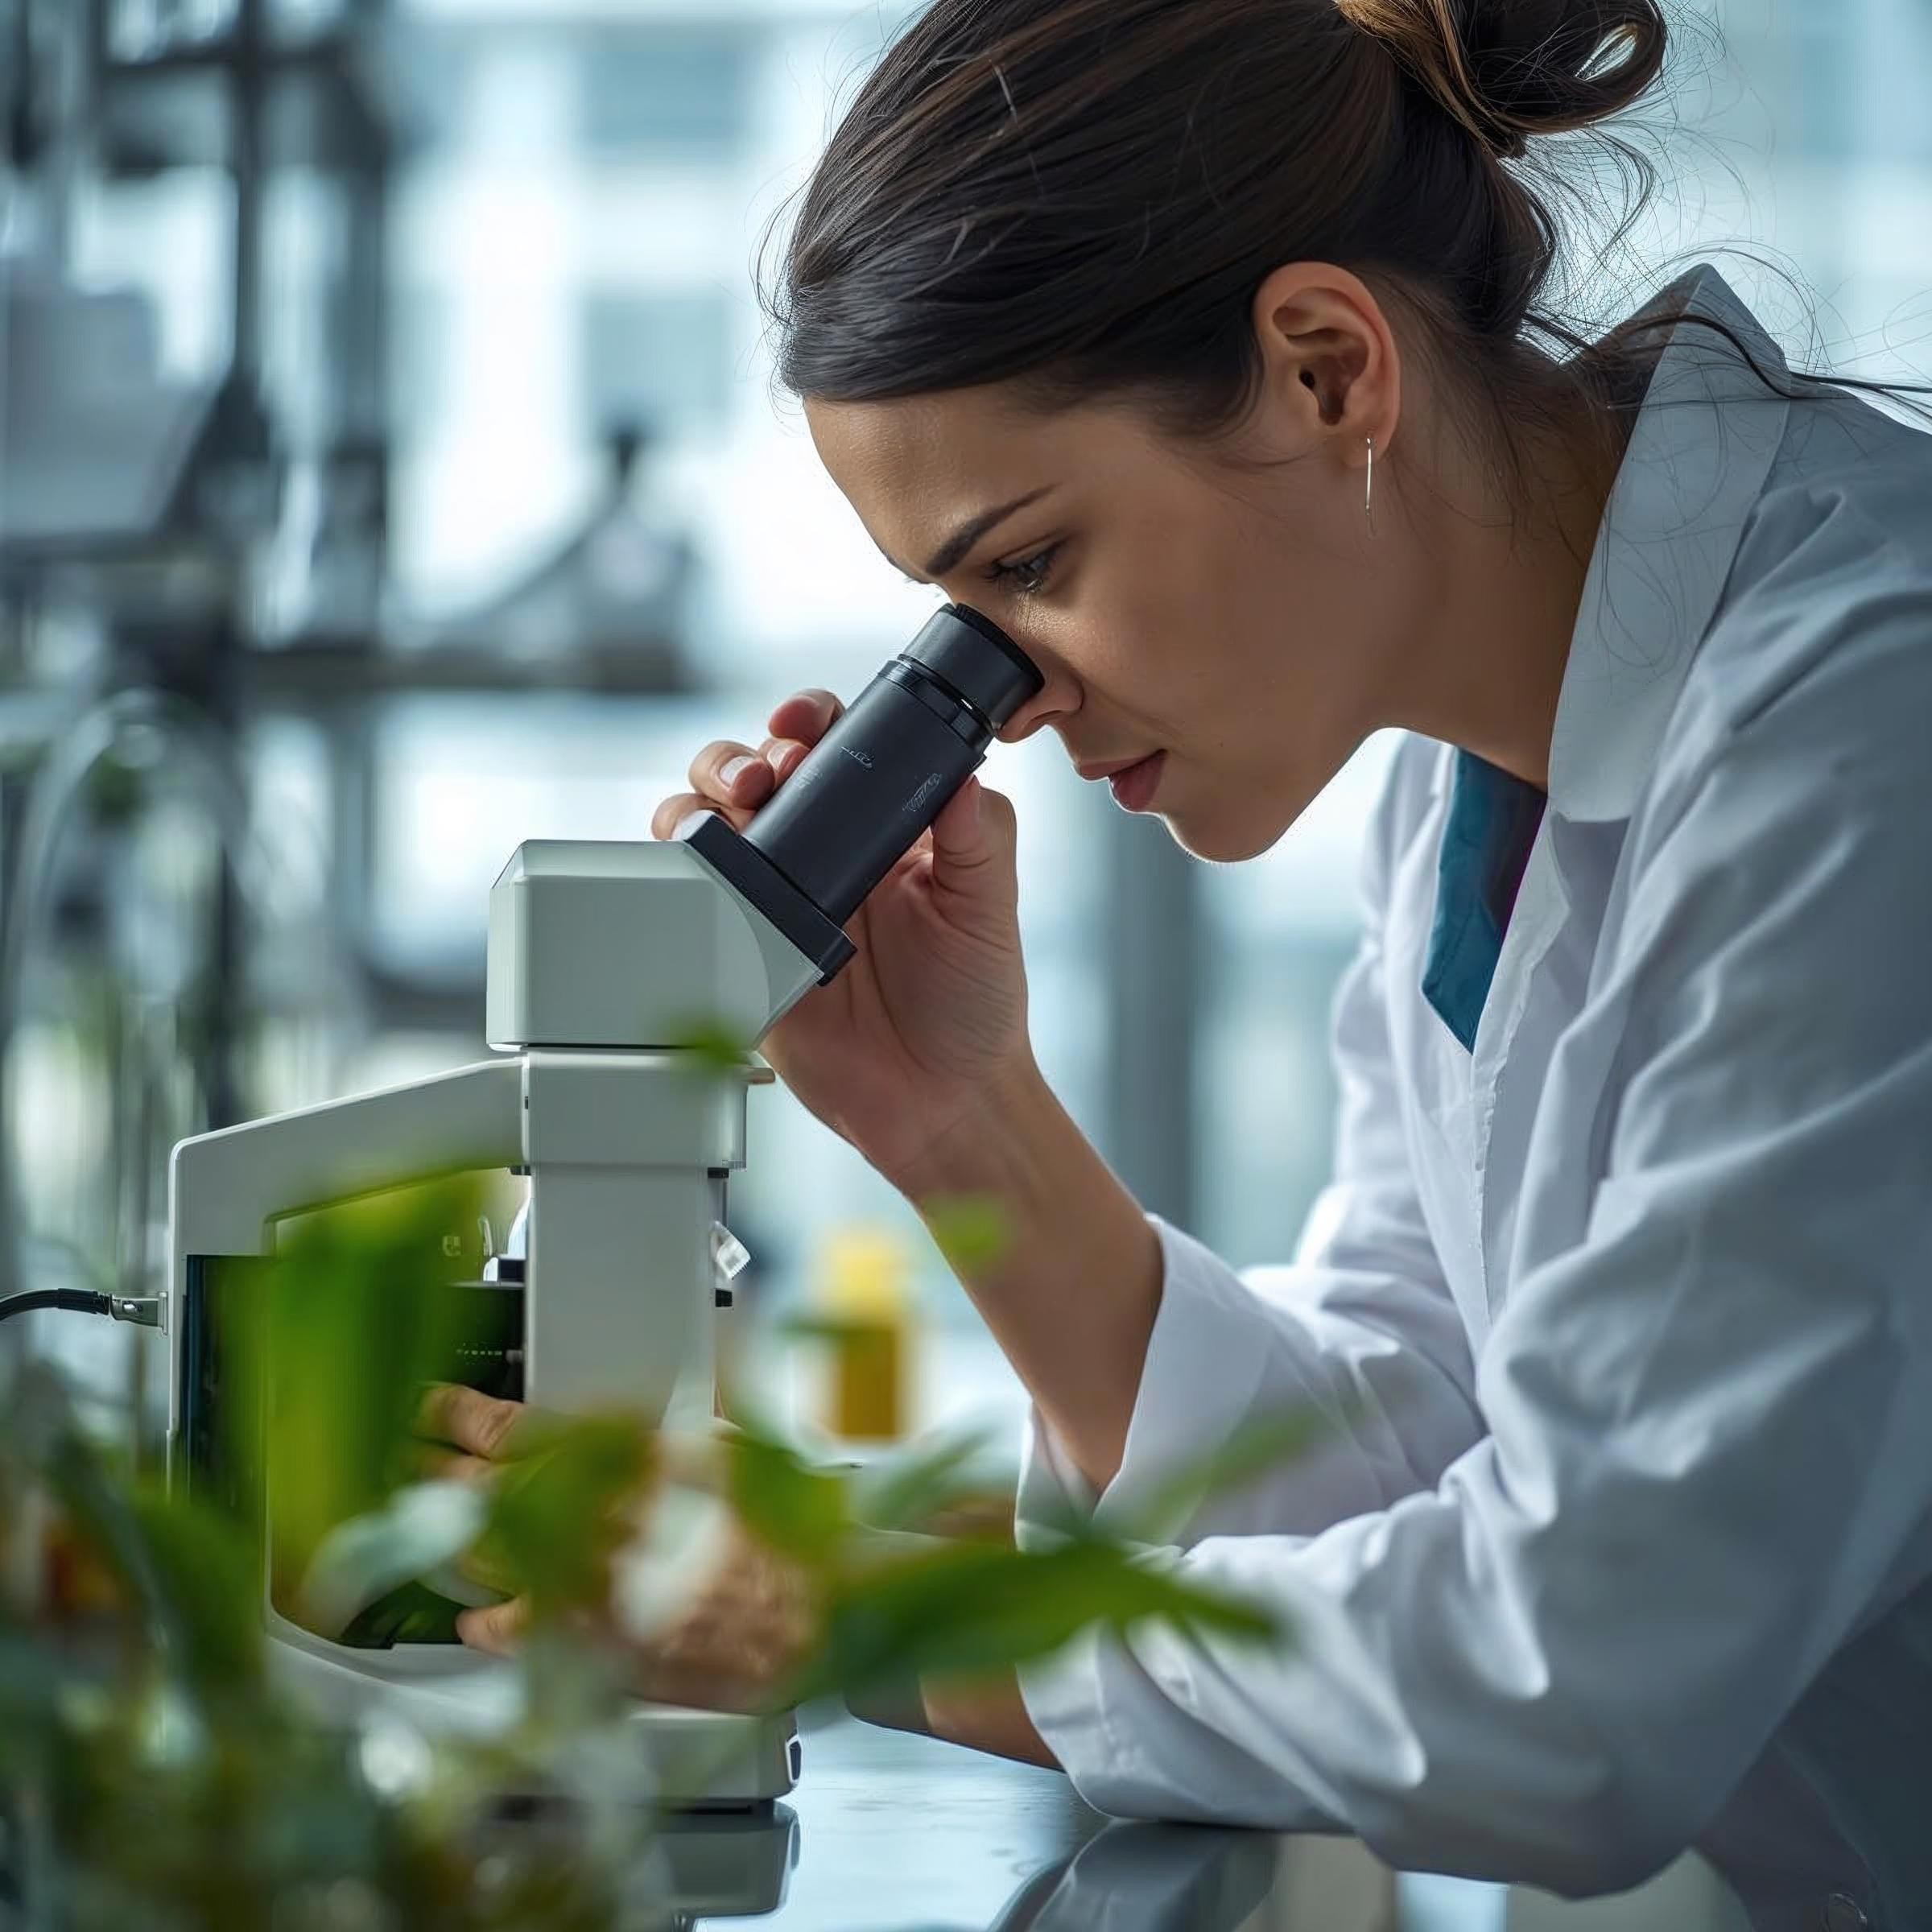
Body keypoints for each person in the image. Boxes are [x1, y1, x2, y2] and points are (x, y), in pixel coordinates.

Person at [431, 2, 1932, 1923]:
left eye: (1032, 568)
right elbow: (1398, 1484)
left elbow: (1570, 1684)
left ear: (1323, 369)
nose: (1013, 697)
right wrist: (965, 1122)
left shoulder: (1865, 727)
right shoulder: (1477, 784)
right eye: (957, 623)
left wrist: (840, 1610)